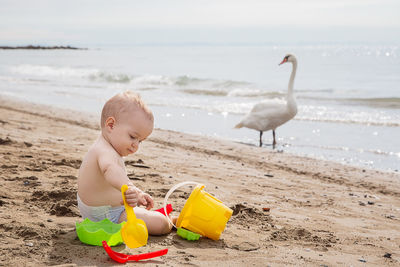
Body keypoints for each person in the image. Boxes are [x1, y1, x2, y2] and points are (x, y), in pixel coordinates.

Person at [77, 90, 172, 235]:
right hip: (109, 215)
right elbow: (110, 170)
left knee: (146, 215)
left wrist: (137, 193)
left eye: (140, 141)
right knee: (161, 224)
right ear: (111, 125)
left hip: (99, 211)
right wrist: (129, 187)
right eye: (133, 137)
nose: (136, 145)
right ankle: (172, 221)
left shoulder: (103, 146)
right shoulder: (105, 151)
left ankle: (164, 219)